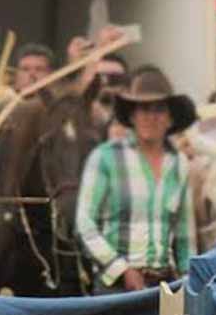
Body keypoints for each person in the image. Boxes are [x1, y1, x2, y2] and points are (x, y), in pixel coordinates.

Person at [75, 66, 197, 293]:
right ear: (132, 116)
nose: (151, 117)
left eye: (159, 109)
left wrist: (189, 281)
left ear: (170, 118)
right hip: (115, 285)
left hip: (165, 283)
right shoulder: (105, 157)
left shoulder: (179, 163)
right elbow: (85, 225)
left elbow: (184, 236)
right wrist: (122, 269)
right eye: (143, 109)